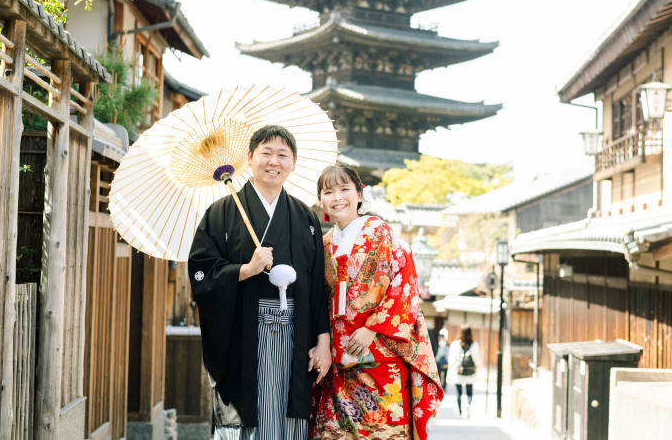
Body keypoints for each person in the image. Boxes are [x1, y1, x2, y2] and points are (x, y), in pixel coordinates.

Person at [188, 125, 331, 440]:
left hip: (296, 335)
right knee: (247, 419)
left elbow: (318, 284)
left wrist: (323, 340)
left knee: (287, 421)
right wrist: (246, 269)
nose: (274, 162)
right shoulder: (221, 213)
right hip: (244, 335)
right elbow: (200, 273)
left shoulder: (305, 217)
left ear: (293, 162)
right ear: (250, 157)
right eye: (266, 153)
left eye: (283, 155)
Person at [311, 164, 443, 439]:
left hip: (379, 352)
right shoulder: (323, 244)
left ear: (360, 194)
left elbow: (404, 283)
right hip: (338, 355)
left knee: (381, 430)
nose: (337, 197)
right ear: (320, 200)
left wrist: (372, 328)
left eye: (345, 189)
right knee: (333, 432)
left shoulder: (380, 231)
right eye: (328, 191)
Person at [448, 326, 480, 419]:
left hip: (458, 372)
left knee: (459, 392)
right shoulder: (474, 344)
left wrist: (450, 372)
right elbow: (476, 359)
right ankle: (468, 404)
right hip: (470, 372)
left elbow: (451, 360)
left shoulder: (455, 344)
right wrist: (476, 368)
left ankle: (460, 411)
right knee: (469, 391)